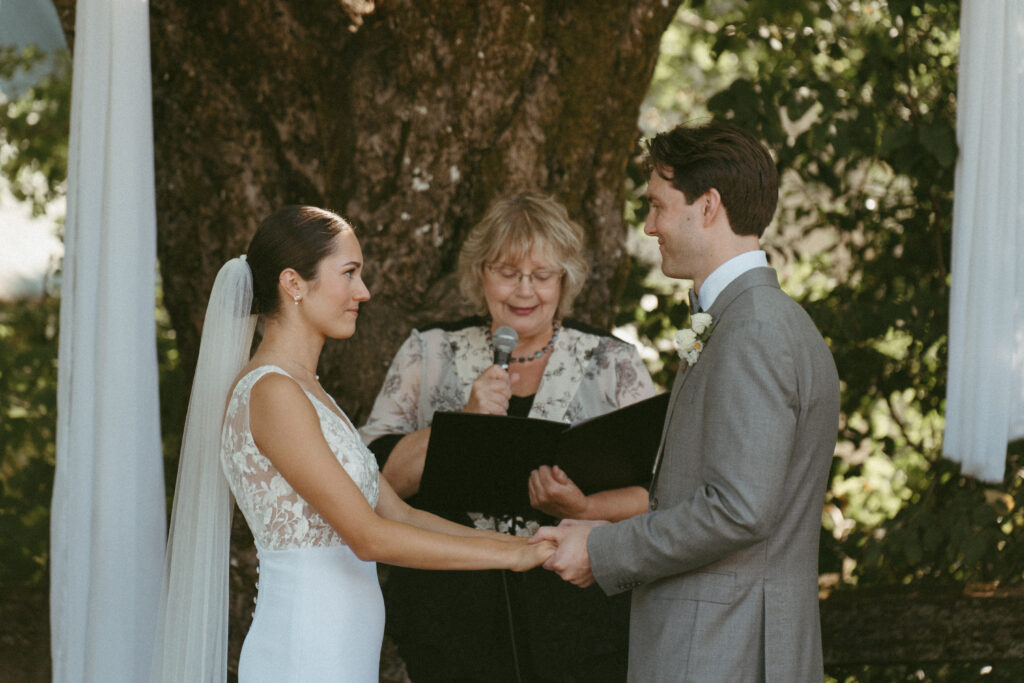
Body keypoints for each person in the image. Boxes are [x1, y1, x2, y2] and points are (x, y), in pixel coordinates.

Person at [151, 206, 555, 683]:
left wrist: (520, 543)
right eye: (349, 274)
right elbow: (367, 537)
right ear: (294, 284)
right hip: (304, 649)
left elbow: (398, 514)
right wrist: (512, 558)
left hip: (341, 648)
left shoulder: (309, 390)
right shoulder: (272, 393)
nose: (363, 292)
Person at [534, 122, 841, 682]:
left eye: (657, 205)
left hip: (724, 651)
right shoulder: (760, 320)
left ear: (708, 206)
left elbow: (738, 509)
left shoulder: (753, 330)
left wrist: (604, 549)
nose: (649, 226)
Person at [359, 192, 657, 682]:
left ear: (566, 279)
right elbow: (371, 484)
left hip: (579, 623)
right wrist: (462, 426)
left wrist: (582, 506)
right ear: (480, 273)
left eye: (542, 275)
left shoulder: (612, 363)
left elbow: (658, 497)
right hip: (450, 617)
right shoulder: (429, 352)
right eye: (507, 272)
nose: (524, 291)